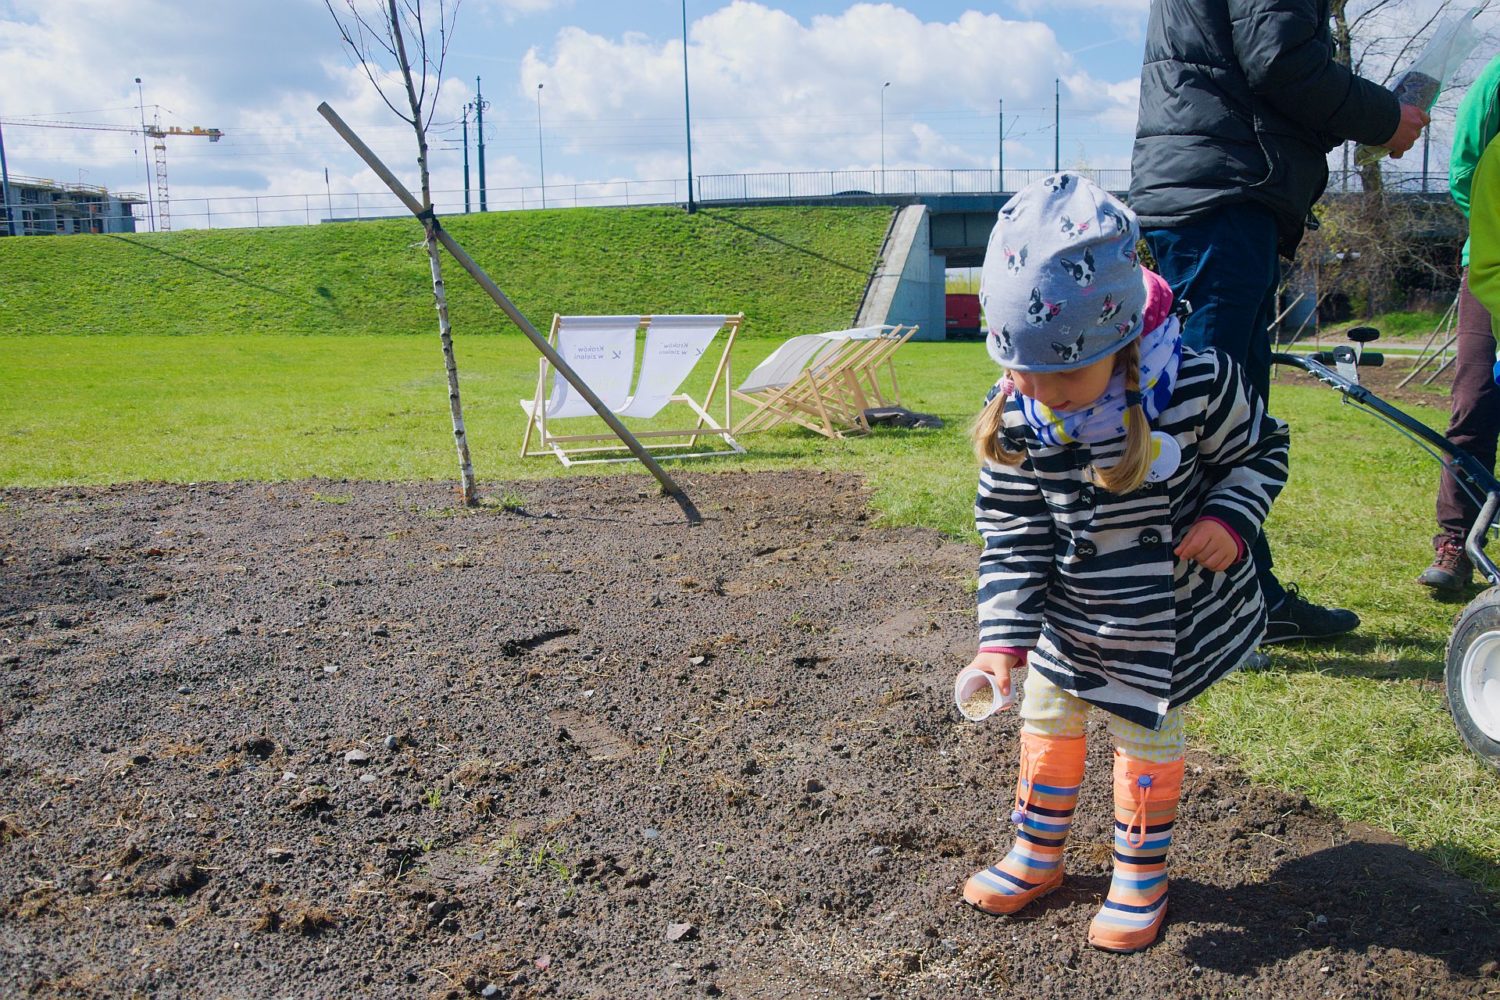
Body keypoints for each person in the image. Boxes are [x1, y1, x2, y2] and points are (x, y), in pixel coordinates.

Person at [960, 174, 1290, 952]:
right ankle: (1036, 853)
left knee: (1146, 732)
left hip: (1163, 618)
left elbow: (1263, 453)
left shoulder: (1195, 385)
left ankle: (1139, 869)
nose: (1042, 393)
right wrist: (1000, 641)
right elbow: (1010, 531)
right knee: (1046, 715)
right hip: (1071, 615)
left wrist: (1227, 520)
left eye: (1062, 374)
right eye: (1020, 370)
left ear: (1120, 342)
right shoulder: (1022, 410)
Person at [1130, 0, 1428, 641]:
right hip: (1224, 189)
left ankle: (1243, 593)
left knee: (1219, 409)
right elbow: (1280, 58)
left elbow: (1261, 61)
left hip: (1214, 180)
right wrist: (1383, 116)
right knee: (1214, 414)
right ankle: (1199, 611)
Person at [1420, 53, 1500, 592]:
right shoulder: (1497, 78)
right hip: (1494, 260)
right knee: (1475, 398)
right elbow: (1466, 170)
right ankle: (1456, 542)